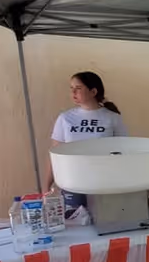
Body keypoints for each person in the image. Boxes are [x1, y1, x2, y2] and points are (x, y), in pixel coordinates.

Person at [46, 72, 127, 208]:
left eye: (78, 88)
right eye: (71, 88)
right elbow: (55, 155)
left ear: (93, 91)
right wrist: (46, 187)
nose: (73, 93)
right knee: (75, 223)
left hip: (104, 184)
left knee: (106, 222)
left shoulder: (112, 118)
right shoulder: (65, 118)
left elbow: (124, 153)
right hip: (72, 182)